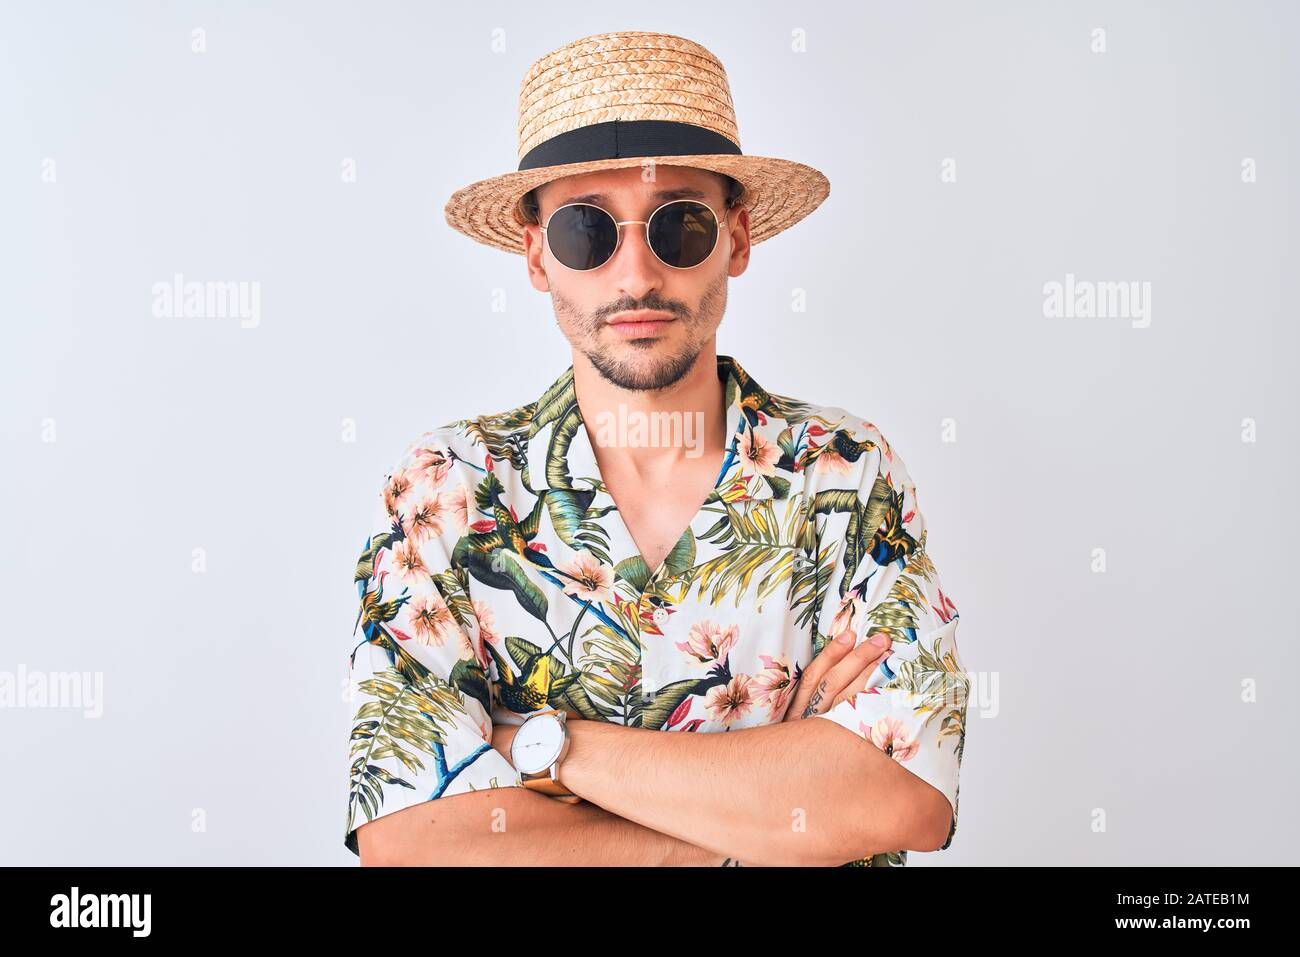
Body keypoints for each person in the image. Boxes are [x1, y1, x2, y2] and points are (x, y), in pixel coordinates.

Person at [345, 31, 969, 867]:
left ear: (737, 239)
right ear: (537, 255)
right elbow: (414, 836)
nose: (636, 273)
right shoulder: (449, 489)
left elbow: (898, 800)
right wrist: (770, 800)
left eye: (678, 224)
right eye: (584, 232)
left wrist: (544, 748)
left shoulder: (845, 473)